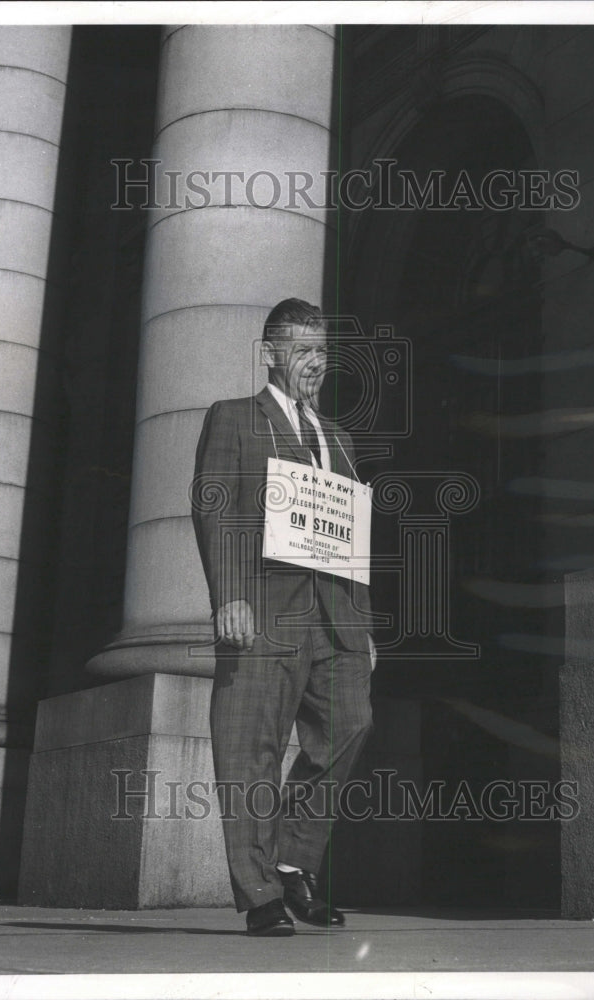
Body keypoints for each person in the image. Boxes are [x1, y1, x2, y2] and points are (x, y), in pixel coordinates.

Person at [191, 298, 376, 937]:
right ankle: (260, 890)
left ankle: (294, 864)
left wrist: (364, 625)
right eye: (302, 351)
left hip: (337, 621)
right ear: (271, 353)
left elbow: (351, 533)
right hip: (264, 611)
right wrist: (229, 595)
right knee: (251, 749)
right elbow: (216, 508)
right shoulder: (236, 420)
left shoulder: (340, 440)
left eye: (323, 352)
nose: (315, 364)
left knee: (351, 723)